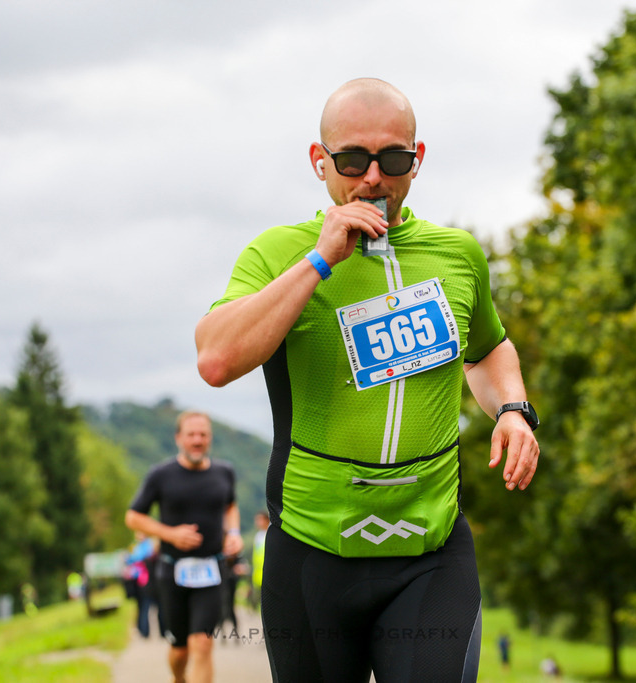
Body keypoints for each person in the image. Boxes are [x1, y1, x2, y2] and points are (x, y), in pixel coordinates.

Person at [195, 77, 540, 682]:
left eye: (393, 158)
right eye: (353, 159)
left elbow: (488, 351)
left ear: (418, 159)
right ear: (320, 161)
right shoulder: (280, 253)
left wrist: (514, 409)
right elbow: (216, 360)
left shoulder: (456, 255)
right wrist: (321, 261)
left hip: (429, 554)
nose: (373, 177)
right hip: (312, 558)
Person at [125, 411, 244, 683]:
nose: (197, 440)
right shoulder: (161, 475)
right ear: (179, 438)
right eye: (191, 434)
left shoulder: (224, 472)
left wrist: (234, 532)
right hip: (172, 572)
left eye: (203, 435)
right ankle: (179, 679)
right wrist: (170, 533)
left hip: (212, 570)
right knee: (180, 651)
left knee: (203, 643)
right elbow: (133, 517)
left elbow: (230, 505)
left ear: (210, 439)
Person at [122, 531, 156, 638]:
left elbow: (137, 559)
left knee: (145, 605)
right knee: (142, 605)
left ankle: (144, 630)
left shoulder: (148, 545)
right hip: (138, 581)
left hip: (146, 580)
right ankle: (142, 630)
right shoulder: (136, 546)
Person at [249, 511, 269, 611]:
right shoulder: (258, 536)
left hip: (269, 573)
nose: (257, 522)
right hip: (258, 574)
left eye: (260, 520)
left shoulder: (270, 534)